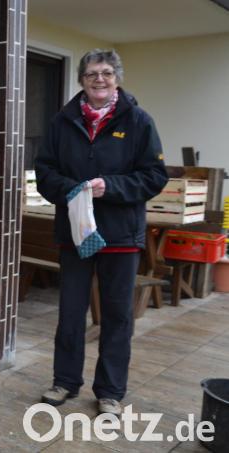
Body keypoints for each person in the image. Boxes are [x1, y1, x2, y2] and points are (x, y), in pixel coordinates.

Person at [35, 49, 168, 416]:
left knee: (116, 315)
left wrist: (109, 187)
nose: (99, 79)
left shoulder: (139, 121)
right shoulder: (63, 121)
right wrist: (72, 189)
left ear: (117, 79)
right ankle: (64, 381)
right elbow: (44, 170)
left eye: (107, 73)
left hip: (120, 235)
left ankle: (109, 391)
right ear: (82, 79)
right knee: (71, 312)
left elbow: (154, 176)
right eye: (92, 73)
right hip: (75, 233)